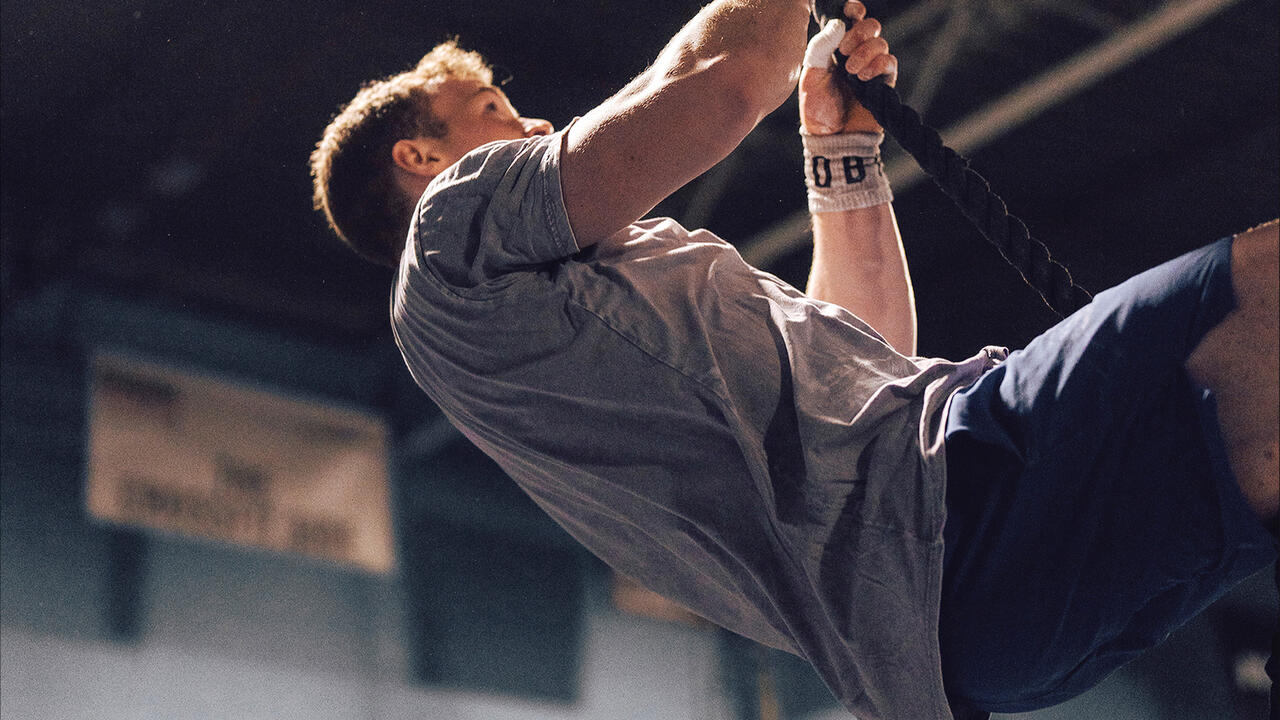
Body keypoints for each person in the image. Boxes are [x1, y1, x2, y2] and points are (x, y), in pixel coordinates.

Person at [310, 1, 1279, 718]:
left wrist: (837, 154)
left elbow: (862, 368)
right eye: (486, 106)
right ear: (418, 160)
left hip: (981, 640)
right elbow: (720, 80)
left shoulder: (555, 323)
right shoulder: (453, 224)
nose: (526, 126)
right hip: (966, 503)